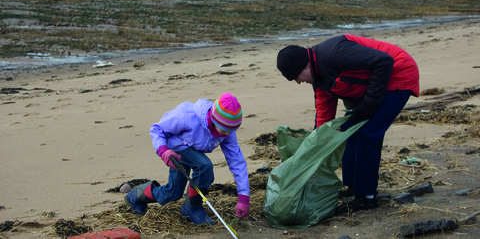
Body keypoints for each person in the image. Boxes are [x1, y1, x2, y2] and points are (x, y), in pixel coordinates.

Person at [276, 34, 419, 215]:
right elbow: (323, 118)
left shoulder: (334, 53)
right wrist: (314, 150)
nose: (298, 82)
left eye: (296, 76)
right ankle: (352, 187)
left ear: (304, 65)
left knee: (368, 133)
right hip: (374, 85)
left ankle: (367, 197)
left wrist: (369, 103)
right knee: (347, 131)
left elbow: (384, 61)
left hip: (399, 74)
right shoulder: (318, 79)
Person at [124, 93, 250, 224]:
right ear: (213, 119)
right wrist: (163, 151)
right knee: (204, 166)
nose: (228, 134)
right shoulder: (186, 115)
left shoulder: (226, 132)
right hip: (176, 150)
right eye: (224, 130)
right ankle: (192, 207)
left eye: (232, 130)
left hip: (192, 151)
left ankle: (136, 196)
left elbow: (237, 161)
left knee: (173, 193)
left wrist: (243, 198)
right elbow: (157, 128)